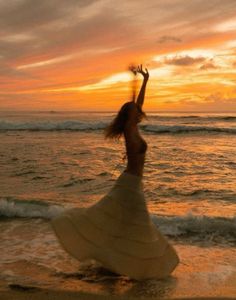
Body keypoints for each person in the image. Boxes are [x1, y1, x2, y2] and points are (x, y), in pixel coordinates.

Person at [51, 65, 179, 280]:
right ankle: (141, 270)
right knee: (140, 228)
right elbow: (134, 105)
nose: (140, 111)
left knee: (123, 225)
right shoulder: (130, 130)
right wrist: (134, 82)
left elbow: (138, 104)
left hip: (131, 185)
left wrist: (145, 80)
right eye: (135, 111)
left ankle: (114, 264)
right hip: (129, 186)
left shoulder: (134, 128)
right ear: (130, 116)